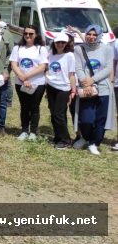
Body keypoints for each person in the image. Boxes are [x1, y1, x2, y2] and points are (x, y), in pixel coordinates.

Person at [73, 25, 114, 155]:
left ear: (99, 35)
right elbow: (78, 68)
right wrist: (87, 84)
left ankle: (94, 143)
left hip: (103, 89)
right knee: (86, 119)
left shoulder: (107, 49)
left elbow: (108, 68)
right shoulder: (79, 49)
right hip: (86, 89)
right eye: (89, 34)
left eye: (94, 35)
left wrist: (93, 80)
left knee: (100, 119)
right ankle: (85, 137)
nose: (91, 37)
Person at [10, 24, 48, 141]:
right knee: (24, 107)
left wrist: (26, 76)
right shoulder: (18, 48)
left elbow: (42, 67)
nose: (28, 36)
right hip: (20, 82)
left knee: (34, 107)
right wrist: (22, 78)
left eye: (31, 34)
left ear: (36, 35)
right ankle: (24, 130)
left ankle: (33, 132)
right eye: (26, 33)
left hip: (38, 83)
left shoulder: (41, 49)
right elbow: (13, 64)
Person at [46, 32, 76, 150]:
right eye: (58, 42)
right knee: (53, 113)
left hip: (63, 88)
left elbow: (71, 75)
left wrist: (73, 91)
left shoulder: (69, 56)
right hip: (51, 86)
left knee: (59, 114)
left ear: (66, 43)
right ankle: (58, 137)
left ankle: (66, 140)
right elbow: (47, 70)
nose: (60, 44)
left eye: (63, 42)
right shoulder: (51, 54)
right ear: (54, 42)